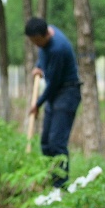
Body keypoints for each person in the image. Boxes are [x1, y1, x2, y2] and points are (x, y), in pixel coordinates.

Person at [25, 16, 81, 188]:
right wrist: (39, 65)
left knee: (57, 143)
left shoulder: (59, 48)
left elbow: (53, 84)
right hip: (56, 93)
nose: (35, 44)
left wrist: (38, 103)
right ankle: (50, 181)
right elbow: (43, 54)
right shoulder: (48, 32)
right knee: (46, 143)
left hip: (66, 92)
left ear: (45, 35)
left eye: (36, 41)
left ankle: (60, 187)